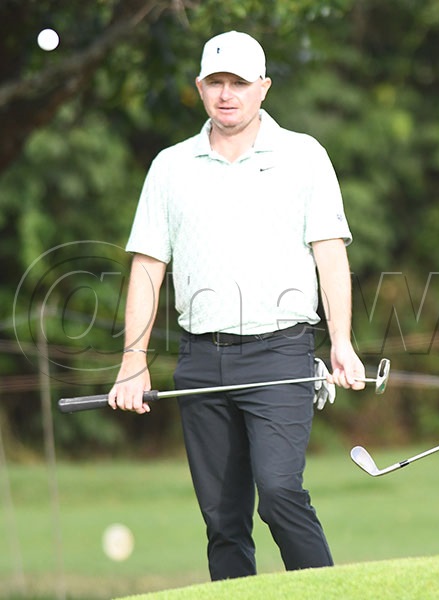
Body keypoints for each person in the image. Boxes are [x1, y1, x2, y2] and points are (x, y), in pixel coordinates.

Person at [107, 31, 367, 579]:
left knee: (277, 493)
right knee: (223, 521)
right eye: (216, 82)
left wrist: (341, 341)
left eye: (239, 84)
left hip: (281, 356)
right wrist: (133, 360)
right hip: (202, 358)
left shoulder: (303, 156)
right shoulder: (170, 167)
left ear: (263, 88)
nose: (227, 94)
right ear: (201, 88)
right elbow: (148, 269)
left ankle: (328, 593)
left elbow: (330, 255)